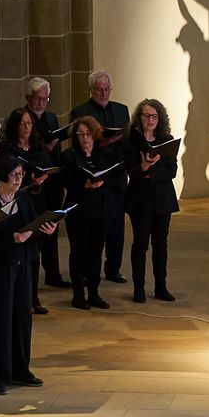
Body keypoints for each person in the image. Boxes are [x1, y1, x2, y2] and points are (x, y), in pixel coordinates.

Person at [0, 156, 58, 394]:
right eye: (14, 174)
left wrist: (44, 230)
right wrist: (12, 238)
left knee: (23, 317)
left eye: (21, 174)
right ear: (2, 176)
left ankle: (21, 370)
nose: (19, 178)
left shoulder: (22, 198)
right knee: (0, 321)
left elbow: (30, 228)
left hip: (22, 264)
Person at [70, 70, 131, 285]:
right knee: (92, 232)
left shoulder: (121, 110)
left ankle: (113, 269)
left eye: (107, 89)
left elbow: (128, 140)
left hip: (116, 177)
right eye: (99, 90)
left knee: (116, 229)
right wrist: (101, 143)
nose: (104, 93)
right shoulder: (80, 111)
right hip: (93, 176)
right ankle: (87, 270)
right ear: (91, 90)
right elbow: (77, 144)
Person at [61, 116, 124, 310]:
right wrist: (84, 184)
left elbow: (117, 177)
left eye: (88, 134)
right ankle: (78, 295)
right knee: (79, 252)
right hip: (79, 210)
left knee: (96, 252)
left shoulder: (104, 155)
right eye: (80, 134)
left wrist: (103, 182)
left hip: (102, 209)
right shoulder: (69, 156)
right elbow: (65, 181)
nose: (85, 138)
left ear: (94, 134)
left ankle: (94, 293)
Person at [123, 100, 180, 304]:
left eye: (154, 116)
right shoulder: (131, 142)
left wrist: (150, 173)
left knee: (161, 244)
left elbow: (171, 170)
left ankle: (160, 287)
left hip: (162, 198)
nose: (150, 120)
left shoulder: (167, 140)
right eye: (146, 116)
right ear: (140, 118)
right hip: (140, 199)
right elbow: (132, 171)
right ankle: (139, 289)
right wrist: (145, 167)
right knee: (140, 244)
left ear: (160, 119)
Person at [0, 107, 55, 314]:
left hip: (36, 201)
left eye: (29, 123)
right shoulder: (7, 149)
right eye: (23, 123)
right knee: (19, 249)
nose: (27, 127)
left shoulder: (38, 148)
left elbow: (48, 168)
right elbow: (4, 174)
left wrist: (39, 180)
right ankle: (20, 298)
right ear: (15, 126)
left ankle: (34, 298)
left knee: (34, 251)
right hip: (16, 201)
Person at [24, 77, 71, 290]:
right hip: (35, 184)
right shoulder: (22, 119)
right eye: (37, 99)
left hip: (53, 181)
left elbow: (57, 148)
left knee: (52, 226)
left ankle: (53, 273)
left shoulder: (51, 118)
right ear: (28, 98)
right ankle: (32, 281)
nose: (41, 104)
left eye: (45, 99)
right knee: (36, 230)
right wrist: (45, 148)